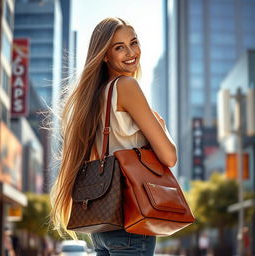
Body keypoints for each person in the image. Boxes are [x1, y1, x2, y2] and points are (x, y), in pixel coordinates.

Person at [49, 17, 177, 256]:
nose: (131, 52)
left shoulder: (93, 97)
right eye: (119, 47)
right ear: (105, 55)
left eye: (134, 42)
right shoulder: (126, 86)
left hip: (102, 225)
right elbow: (169, 157)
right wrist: (161, 125)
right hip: (130, 220)